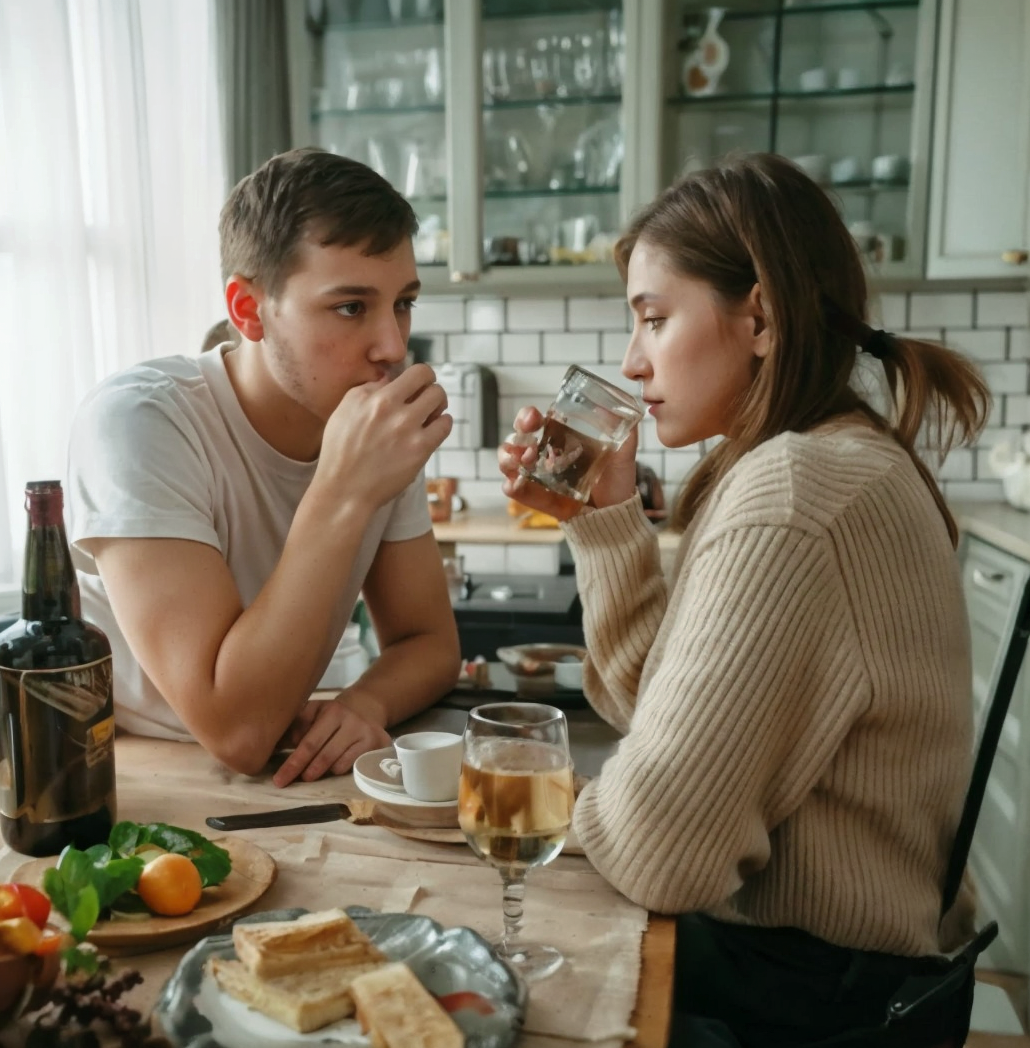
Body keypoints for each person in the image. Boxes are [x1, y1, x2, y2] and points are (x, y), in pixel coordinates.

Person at [499, 153, 991, 1047]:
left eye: (653, 318)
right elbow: (670, 709)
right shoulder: (823, 458)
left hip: (809, 997)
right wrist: (605, 517)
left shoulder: (795, 494)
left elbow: (661, 855)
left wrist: (551, 794)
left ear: (758, 315)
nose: (632, 360)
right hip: (835, 975)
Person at [66, 148, 461, 786]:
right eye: (351, 307)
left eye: (404, 304)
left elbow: (430, 644)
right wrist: (346, 490)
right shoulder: (139, 422)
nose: (392, 347)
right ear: (248, 309)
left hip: (287, 767)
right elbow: (235, 729)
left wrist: (366, 702)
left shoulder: (364, 421)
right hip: (132, 777)